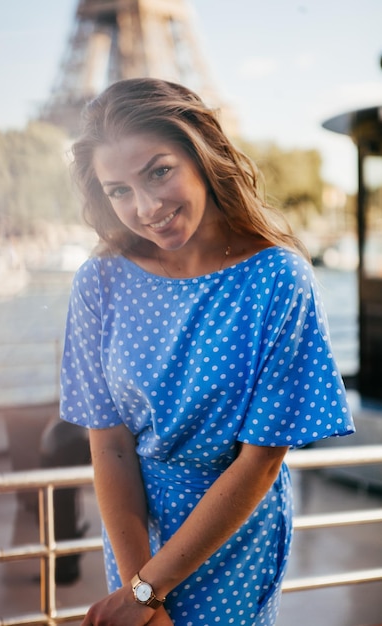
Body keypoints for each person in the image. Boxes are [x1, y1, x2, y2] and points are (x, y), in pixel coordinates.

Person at [60, 77, 355, 626]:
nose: (146, 207)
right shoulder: (98, 281)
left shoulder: (278, 278)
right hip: (134, 536)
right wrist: (136, 587)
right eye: (119, 190)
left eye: (159, 171)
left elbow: (261, 463)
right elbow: (112, 446)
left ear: (203, 153)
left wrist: (147, 593)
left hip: (234, 535)